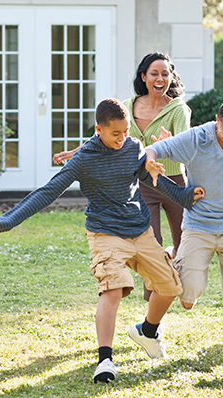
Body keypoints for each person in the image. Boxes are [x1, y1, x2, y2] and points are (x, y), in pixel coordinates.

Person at [0, 98, 205, 383]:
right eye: (116, 133)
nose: (123, 138)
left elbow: (154, 181)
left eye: (126, 132)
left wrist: (186, 196)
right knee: (113, 289)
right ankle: (105, 361)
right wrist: (6, 221)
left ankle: (148, 331)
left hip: (139, 229)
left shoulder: (132, 148)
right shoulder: (84, 160)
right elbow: (48, 191)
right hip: (105, 232)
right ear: (98, 129)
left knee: (170, 287)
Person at [54, 52, 191, 301]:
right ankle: (153, 296)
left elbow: (185, 146)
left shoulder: (178, 108)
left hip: (172, 180)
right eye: (154, 73)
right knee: (153, 239)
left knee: (184, 238)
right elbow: (108, 136)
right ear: (143, 76)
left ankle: (183, 289)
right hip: (145, 183)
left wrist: (169, 144)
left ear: (171, 78)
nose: (160, 79)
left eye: (165, 74)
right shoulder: (128, 106)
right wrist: (77, 151)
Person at [145, 97, 223, 347]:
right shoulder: (197, 138)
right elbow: (155, 150)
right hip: (198, 225)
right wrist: (150, 160)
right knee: (187, 299)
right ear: (217, 121)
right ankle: (175, 258)